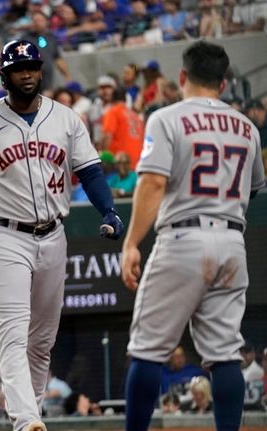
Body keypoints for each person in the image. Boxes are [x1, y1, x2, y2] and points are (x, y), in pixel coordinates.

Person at [0, 40, 124, 431]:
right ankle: (26, 420)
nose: (27, 73)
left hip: (53, 234)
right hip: (2, 235)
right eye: (18, 68)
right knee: (12, 332)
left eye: (32, 66)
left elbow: (92, 172)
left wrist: (109, 210)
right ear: (4, 76)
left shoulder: (65, 119)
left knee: (42, 339)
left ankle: (32, 416)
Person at [121, 41, 265, 431]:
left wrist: (131, 243)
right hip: (233, 242)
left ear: (182, 77)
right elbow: (253, 190)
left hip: (184, 237)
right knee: (224, 355)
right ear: (223, 84)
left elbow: (151, 183)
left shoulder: (166, 118)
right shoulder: (248, 128)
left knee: (148, 352)